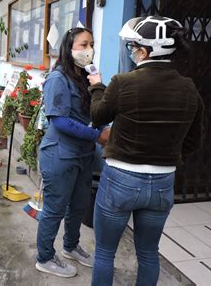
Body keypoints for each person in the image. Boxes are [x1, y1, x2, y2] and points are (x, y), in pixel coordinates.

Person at [87, 16, 204, 286]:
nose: (130, 51)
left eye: (132, 46)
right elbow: (194, 140)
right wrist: (165, 160)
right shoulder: (189, 87)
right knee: (149, 253)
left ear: (144, 51)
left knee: (105, 253)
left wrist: (96, 85)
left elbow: (97, 116)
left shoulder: (123, 82)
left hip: (121, 179)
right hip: (163, 183)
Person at [36, 27, 110, 278]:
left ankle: (70, 246)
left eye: (91, 44)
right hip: (60, 155)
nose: (88, 50)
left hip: (84, 154)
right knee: (55, 209)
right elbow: (60, 121)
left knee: (78, 206)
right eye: (82, 45)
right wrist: (98, 136)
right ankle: (45, 257)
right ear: (69, 48)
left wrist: (103, 126)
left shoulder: (86, 77)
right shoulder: (58, 79)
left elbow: (94, 113)